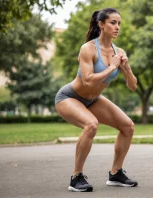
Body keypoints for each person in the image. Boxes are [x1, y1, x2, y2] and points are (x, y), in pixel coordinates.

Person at [54, 8, 138, 192]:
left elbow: (132, 86)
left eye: (119, 24)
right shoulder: (88, 48)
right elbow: (87, 79)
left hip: (93, 99)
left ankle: (116, 173)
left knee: (128, 126)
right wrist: (112, 67)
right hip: (69, 97)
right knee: (91, 124)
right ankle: (76, 177)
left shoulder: (119, 51)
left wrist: (126, 68)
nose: (117, 27)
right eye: (113, 23)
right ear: (101, 24)